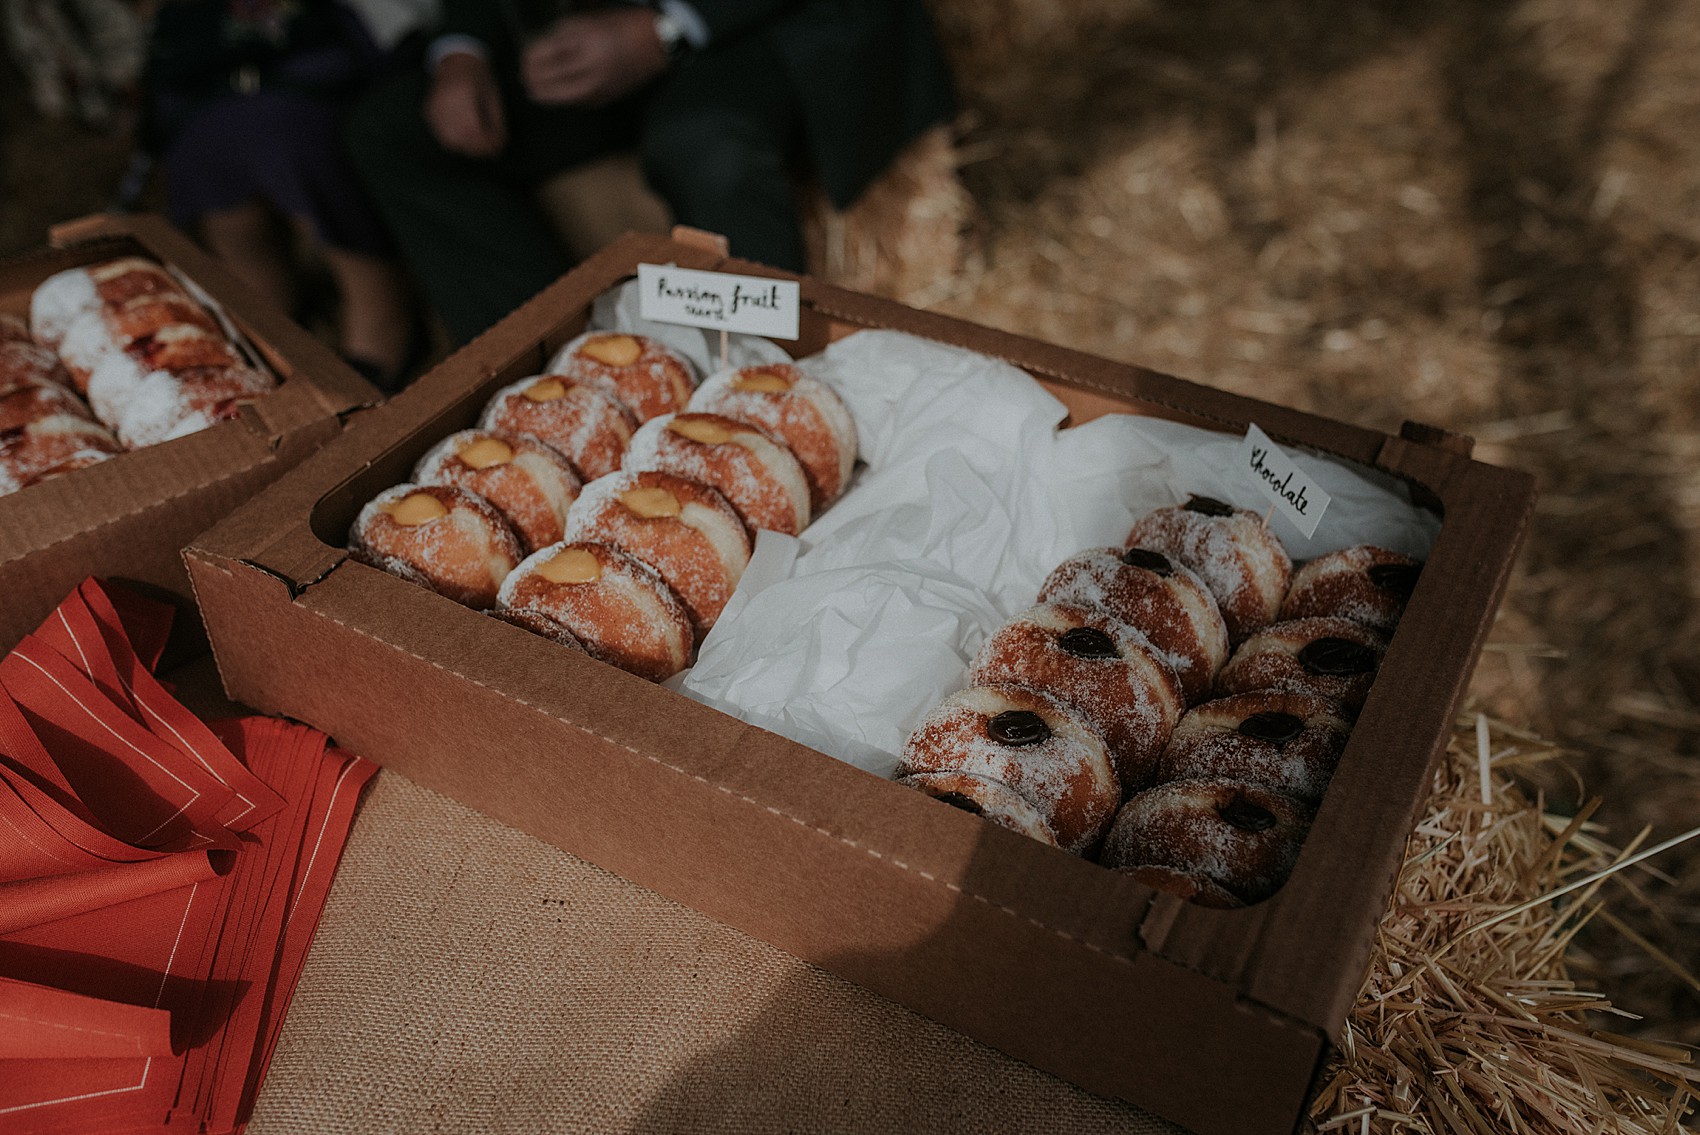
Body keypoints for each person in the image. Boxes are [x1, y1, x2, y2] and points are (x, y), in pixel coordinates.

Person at [345, 0, 955, 345]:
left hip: (756, 24)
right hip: (588, 34)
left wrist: (666, 26)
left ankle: (765, 387)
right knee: (388, 129)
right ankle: (550, 371)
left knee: (706, 145)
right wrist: (460, 51)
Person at [142, 0, 424, 386]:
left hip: (313, 56)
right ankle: (268, 318)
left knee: (291, 145)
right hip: (212, 69)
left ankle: (378, 307)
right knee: (208, 157)